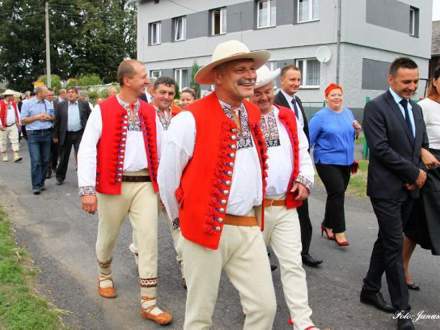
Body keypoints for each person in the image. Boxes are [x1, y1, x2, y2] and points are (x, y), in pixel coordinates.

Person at [158, 40, 276, 330]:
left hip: (248, 225)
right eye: (240, 70)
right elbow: (168, 177)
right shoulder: (189, 118)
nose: (250, 75)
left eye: (251, 69)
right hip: (205, 227)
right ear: (219, 76)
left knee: (265, 307)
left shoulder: (251, 112)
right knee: (200, 315)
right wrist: (180, 222)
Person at [77, 59, 172, 326]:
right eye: (143, 76)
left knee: (148, 240)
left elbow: (164, 151)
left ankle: (149, 302)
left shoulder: (150, 111)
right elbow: (87, 150)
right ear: (127, 80)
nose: (147, 80)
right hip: (112, 184)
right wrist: (87, 190)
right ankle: (104, 274)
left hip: (145, 184)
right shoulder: (102, 110)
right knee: (107, 236)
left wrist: (165, 190)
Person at [361, 58, 429, 330]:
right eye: (406, 82)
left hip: (409, 189)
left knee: (386, 239)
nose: (412, 87)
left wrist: (418, 172)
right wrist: (413, 173)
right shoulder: (375, 107)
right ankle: (403, 312)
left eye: (415, 81)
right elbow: (380, 149)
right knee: (393, 246)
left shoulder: (416, 109)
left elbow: (419, 146)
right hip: (385, 190)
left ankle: (369, 289)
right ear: (391, 80)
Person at [251, 65, 319, 330]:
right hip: (252, 211)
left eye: (268, 91)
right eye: (258, 93)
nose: (265, 97)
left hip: (285, 205)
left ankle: (303, 320)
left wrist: (305, 179)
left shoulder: (287, 116)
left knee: (293, 264)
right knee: (255, 270)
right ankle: (256, 314)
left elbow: (303, 152)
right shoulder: (242, 119)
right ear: (249, 94)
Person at [127, 76, 184, 286]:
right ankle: (141, 258)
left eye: (170, 93)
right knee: (144, 228)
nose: (167, 97)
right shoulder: (142, 115)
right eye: (163, 92)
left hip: (176, 182)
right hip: (149, 182)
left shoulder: (181, 116)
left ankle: (186, 269)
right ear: (152, 91)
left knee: (179, 226)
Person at [274, 65, 322, 267]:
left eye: (298, 80)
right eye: (292, 79)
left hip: (299, 162)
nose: (296, 83)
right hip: (281, 165)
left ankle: (304, 251)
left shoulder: (297, 101)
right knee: (274, 211)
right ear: (281, 81)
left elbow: (302, 130)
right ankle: (263, 254)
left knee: (302, 207)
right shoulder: (275, 102)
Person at [402, 66, 440, 291]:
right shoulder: (423, 107)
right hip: (430, 165)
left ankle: (401, 263)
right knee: (419, 221)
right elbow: (412, 139)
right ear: (435, 81)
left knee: (422, 222)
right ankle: (402, 264)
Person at [309, 83, 360, 247]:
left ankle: (327, 224)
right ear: (326, 98)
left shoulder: (348, 113)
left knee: (335, 195)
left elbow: (350, 137)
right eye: (333, 95)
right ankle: (339, 231)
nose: (337, 97)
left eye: (339, 94)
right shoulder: (320, 117)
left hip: (346, 161)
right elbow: (308, 140)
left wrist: (357, 131)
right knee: (337, 192)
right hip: (326, 161)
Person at [53, 87, 92, 185]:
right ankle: (60, 177)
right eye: (68, 92)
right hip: (66, 134)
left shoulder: (84, 104)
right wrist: (55, 135)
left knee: (82, 156)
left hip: (80, 134)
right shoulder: (61, 105)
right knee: (63, 157)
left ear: (77, 94)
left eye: (72, 92)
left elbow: (90, 118)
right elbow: (57, 121)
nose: (70, 94)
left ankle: (84, 179)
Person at [20, 86, 55, 194]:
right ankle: (36, 185)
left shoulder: (48, 103)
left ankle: (41, 182)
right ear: (39, 93)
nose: (48, 93)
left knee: (45, 160)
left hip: (46, 133)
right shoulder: (27, 103)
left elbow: (53, 116)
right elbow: (23, 120)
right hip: (33, 135)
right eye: (46, 92)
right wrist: (37, 117)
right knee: (36, 160)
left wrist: (48, 117)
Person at [0, 90, 22, 162]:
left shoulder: (14, 104)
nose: (13, 97)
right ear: (7, 96)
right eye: (11, 95)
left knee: (15, 140)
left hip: (13, 125)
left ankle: (16, 155)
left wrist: (19, 122)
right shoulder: (0, 103)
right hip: (3, 126)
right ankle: (4, 155)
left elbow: (17, 113)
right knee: (3, 141)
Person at [46, 89, 58, 178]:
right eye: (49, 95)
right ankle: (48, 170)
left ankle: (54, 166)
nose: (50, 97)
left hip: (56, 129)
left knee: (55, 151)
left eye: (52, 95)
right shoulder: (43, 105)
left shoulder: (57, 104)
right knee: (48, 151)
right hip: (46, 130)